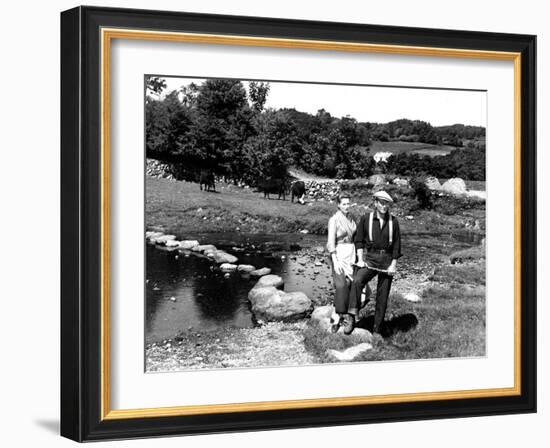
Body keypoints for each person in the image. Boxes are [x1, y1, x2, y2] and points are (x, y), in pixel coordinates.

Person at [349, 190, 402, 338]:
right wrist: (360, 259)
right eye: (382, 203)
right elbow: (358, 240)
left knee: (382, 296)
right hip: (370, 259)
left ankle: (377, 330)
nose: (384, 206)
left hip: (387, 261)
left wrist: (393, 264)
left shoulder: (394, 221)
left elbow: (397, 245)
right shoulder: (366, 219)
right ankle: (352, 316)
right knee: (357, 280)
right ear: (376, 203)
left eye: (387, 204)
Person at [326, 194, 358, 335]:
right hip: (338, 253)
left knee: (352, 284)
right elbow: (330, 241)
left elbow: (356, 237)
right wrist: (335, 259)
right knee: (341, 285)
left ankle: (342, 315)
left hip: (351, 253)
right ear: (338, 205)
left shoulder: (351, 218)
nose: (347, 206)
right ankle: (337, 316)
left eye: (348, 203)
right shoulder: (333, 220)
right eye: (344, 204)